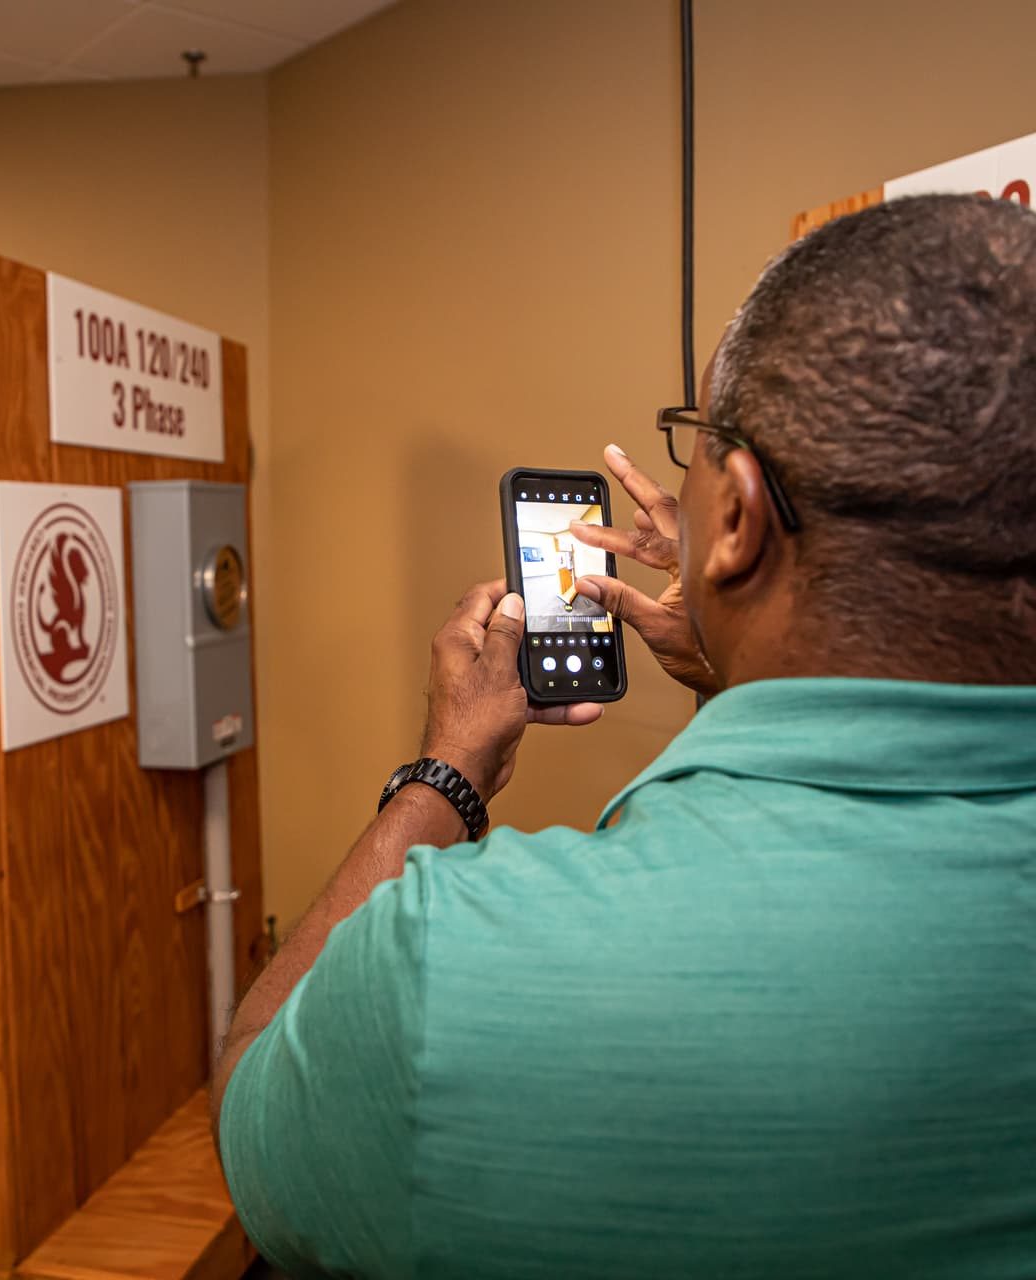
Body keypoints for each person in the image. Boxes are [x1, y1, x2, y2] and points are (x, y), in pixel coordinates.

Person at [213, 194, 1036, 1278]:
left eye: (698, 451)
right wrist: (738, 651)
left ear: (737, 519)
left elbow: (254, 1105)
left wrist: (443, 777)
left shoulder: (451, 961)